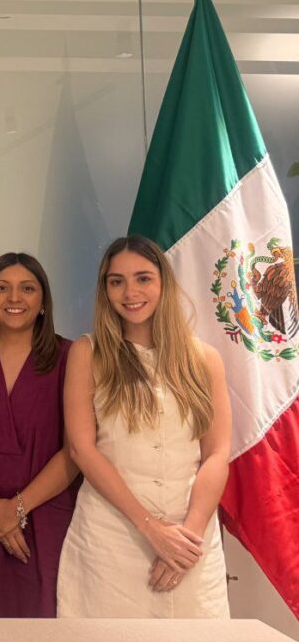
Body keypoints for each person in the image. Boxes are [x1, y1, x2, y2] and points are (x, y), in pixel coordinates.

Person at [57, 235, 232, 617]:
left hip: (191, 540)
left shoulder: (204, 359)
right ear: (105, 290)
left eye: (143, 278)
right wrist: (151, 529)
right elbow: (82, 449)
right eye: (116, 281)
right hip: (111, 538)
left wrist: (188, 539)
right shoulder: (88, 353)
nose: (130, 292)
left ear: (163, 282)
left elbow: (217, 454)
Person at [0, 252, 79, 617]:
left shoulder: (71, 357)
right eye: (2, 288)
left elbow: (77, 449)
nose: (14, 298)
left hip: (49, 516)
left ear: (43, 301)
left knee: (47, 623)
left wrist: (18, 508)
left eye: (27, 288)